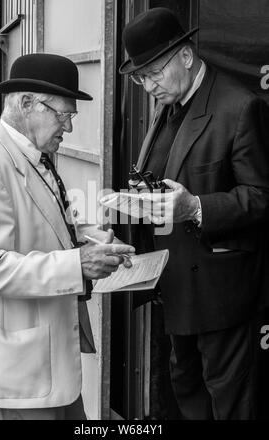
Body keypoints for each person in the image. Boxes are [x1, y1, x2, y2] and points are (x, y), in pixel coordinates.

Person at [119, 7, 269, 420]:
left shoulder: (240, 106)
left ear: (186, 56)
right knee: (186, 389)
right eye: (139, 77)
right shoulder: (167, 102)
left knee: (229, 401)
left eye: (153, 73)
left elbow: (261, 196)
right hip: (174, 286)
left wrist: (196, 206)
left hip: (222, 294)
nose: (148, 86)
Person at [0, 53, 135, 420]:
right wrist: (78, 263)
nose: (69, 128)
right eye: (63, 115)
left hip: (47, 370)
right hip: (21, 380)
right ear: (27, 103)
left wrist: (90, 238)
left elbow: (43, 223)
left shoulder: (32, 154)